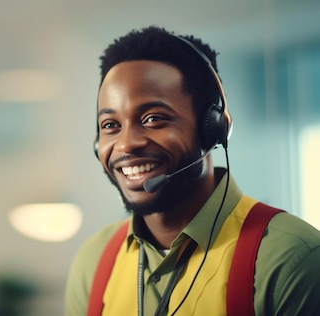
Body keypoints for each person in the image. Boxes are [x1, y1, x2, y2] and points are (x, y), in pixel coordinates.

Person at [64, 26, 320, 316]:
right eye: (111, 125)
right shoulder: (94, 260)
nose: (127, 143)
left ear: (212, 129)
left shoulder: (291, 259)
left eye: (153, 119)